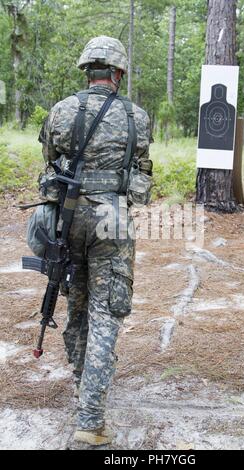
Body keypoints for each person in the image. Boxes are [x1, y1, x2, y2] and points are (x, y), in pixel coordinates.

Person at [38, 36, 153, 446]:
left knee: (77, 303)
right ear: (118, 73)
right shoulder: (137, 117)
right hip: (112, 222)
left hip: (69, 218)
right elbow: (142, 178)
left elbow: (50, 165)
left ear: (87, 70)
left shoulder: (61, 111)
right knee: (106, 313)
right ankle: (90, 419)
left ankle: (79, 380)